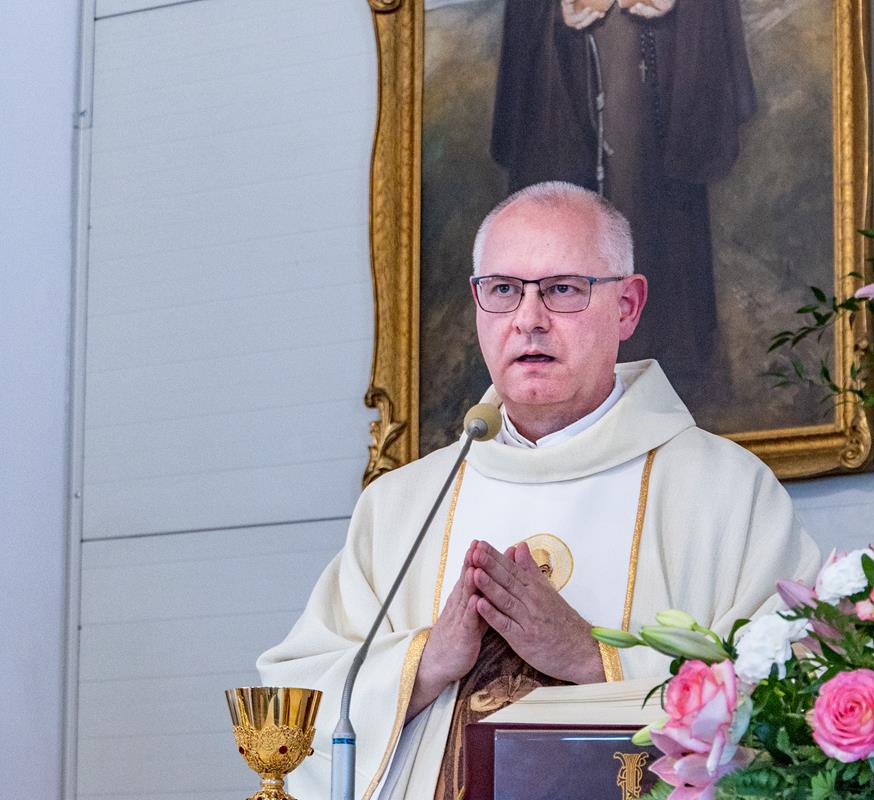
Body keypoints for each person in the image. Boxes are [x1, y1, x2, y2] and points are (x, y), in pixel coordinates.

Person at [258, 182, 819, 800]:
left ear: (627, 306)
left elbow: (794, 692)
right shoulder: (402, 505)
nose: (528, 319)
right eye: (503, 290)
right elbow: (297, 702)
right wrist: (427, 660)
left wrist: (591, 659)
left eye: (562, 289)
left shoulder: (725, 491)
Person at [490, 0, 757, 403]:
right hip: (570, 54)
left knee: (651, 209)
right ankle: (570, 374)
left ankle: (667, 373)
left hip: (658, 48)